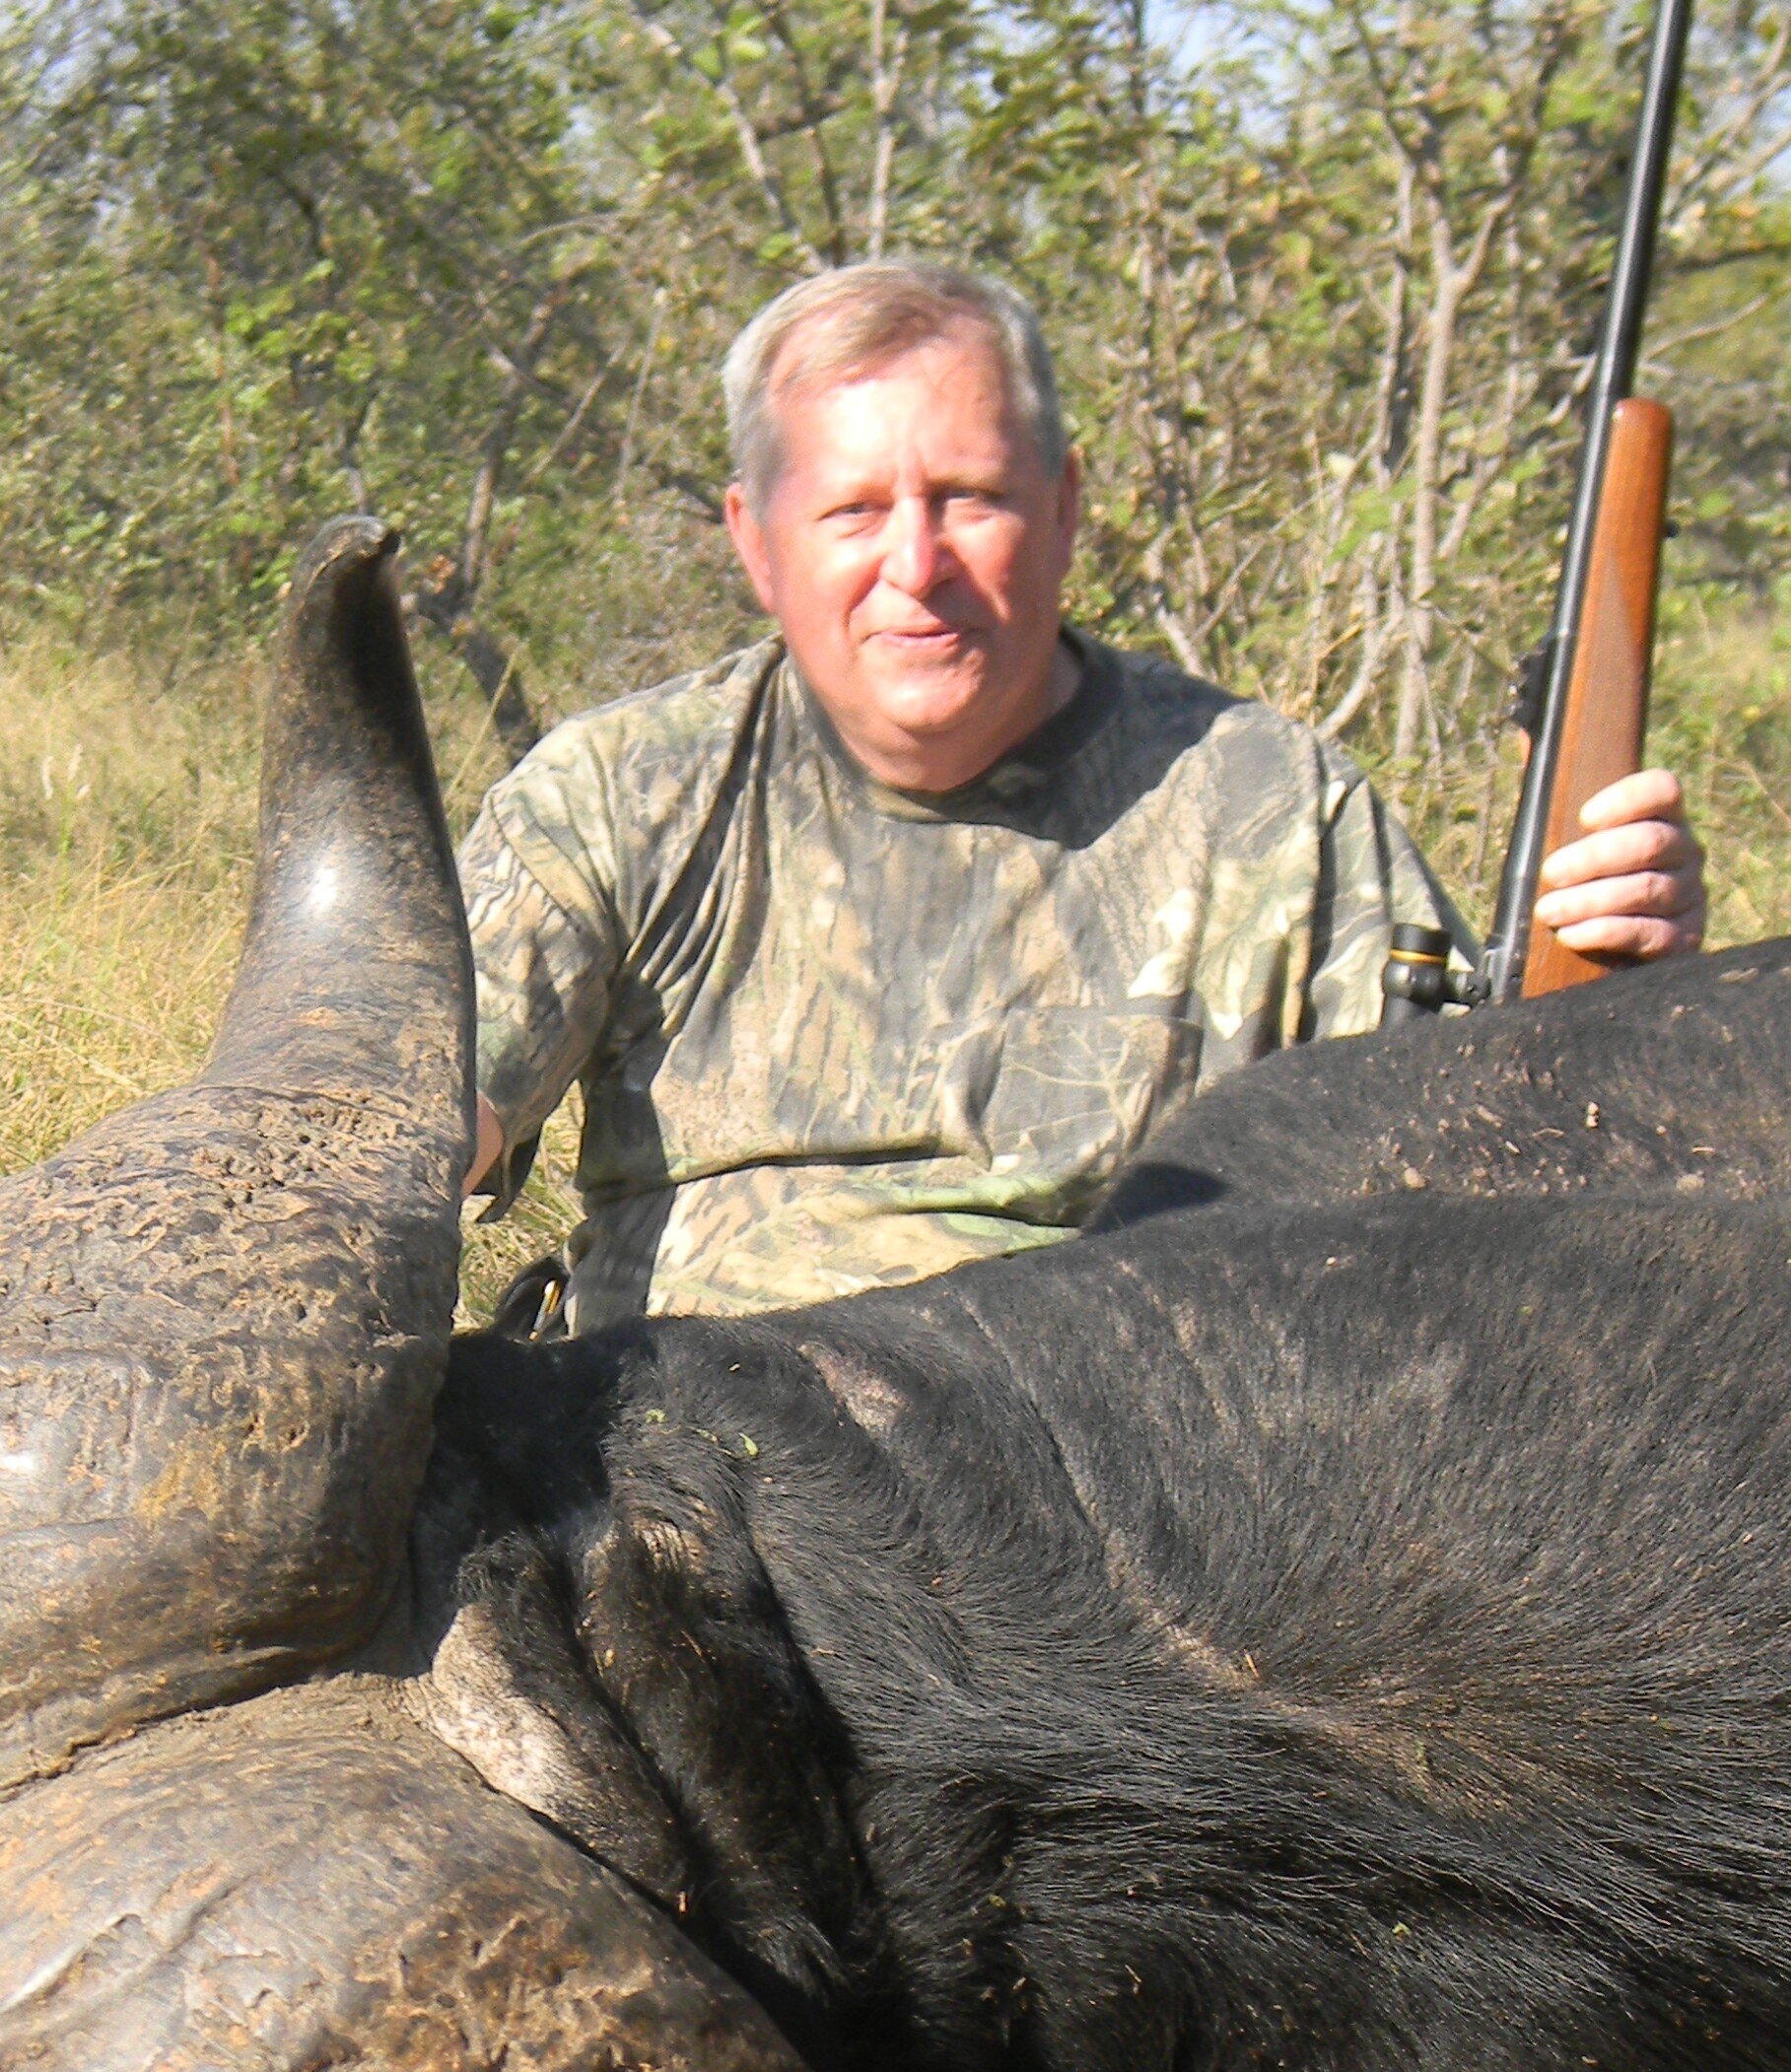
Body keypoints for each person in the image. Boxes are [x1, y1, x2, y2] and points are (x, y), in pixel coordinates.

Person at [462, 260, 1706, 1329]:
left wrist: (1613, 997)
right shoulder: (618, 797)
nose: (916, 566)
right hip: (675, 1503)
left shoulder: (1275, 810)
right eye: (854, 510)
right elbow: (394, 1130)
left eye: (972, 499)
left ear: (1063, 508)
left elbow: (1479, 1211)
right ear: (754, 541)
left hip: (1125, 1511)